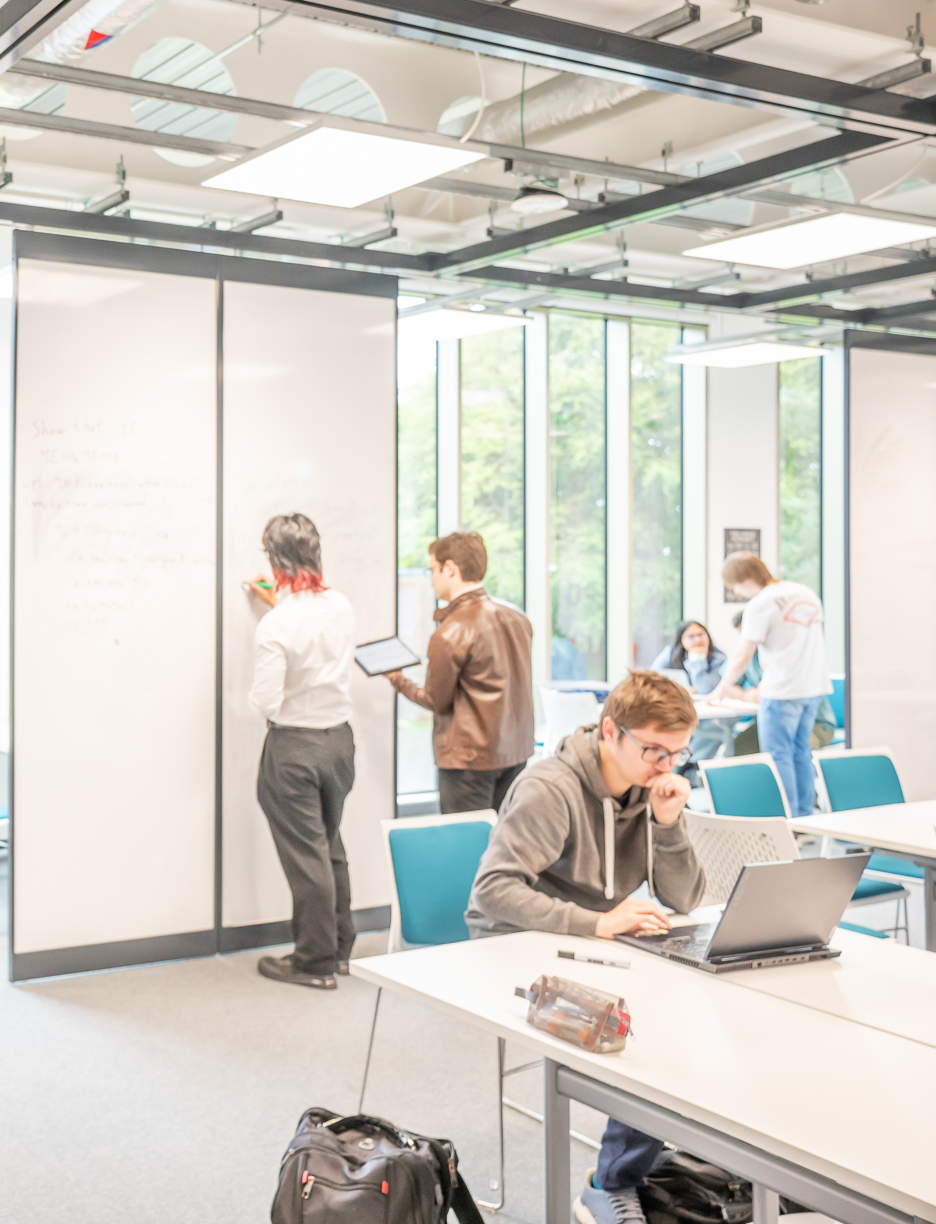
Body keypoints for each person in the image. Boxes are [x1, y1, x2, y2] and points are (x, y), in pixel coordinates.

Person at [465, 669, 705, 1224]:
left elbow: (685, 896)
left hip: (593, 937)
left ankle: (662, 1162)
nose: (665, 765)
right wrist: (596, 923)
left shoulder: (649, 789)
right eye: (652, 750)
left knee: (698, 1000)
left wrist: (668, 823)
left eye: (677, 753)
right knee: (649, 1027)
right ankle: (610, 1183)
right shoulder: (551, 788)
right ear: (608, 732)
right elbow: (493, 891)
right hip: (513, 944)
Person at [243, 513, 359, 990]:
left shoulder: (277, 625)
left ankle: (314, 962)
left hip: (293, 749)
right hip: (339, 745)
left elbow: (264, 702)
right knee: (328, 845)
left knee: (306, 857)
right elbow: (312, 622)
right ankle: (340, 948)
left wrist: (275, 610)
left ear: (274, 561)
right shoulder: (341, 606)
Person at [386, 531, 535, 814]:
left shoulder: (450, 632)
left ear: (450, 568)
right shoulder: (518, 619)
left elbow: (434, 700)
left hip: (469, 762)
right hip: (515, 754)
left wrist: (398, 680)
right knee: (503, 843)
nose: (431, 580)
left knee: (466, 848)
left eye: (433, 570)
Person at [715, 553, 830, 816]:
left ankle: (786, 818)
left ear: (743, 580)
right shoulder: (806, 593)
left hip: (782, 690)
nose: (736, 592)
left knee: (778, 756)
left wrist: (721, 687)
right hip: (813, 687)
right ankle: (803, 815)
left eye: (734, 586)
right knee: (800, 752)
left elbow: (742, 655)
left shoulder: (760, 604)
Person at [651, 620, 735, 761]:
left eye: (701, 635)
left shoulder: (718, 659)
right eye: (690, 636)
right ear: (681, 640)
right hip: (675, 710)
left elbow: (706, 689)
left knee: (708, 731)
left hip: (709, 717)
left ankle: (689, 765)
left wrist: (697, 660)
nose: (697, 640)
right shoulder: (670, 654)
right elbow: (652, 678)